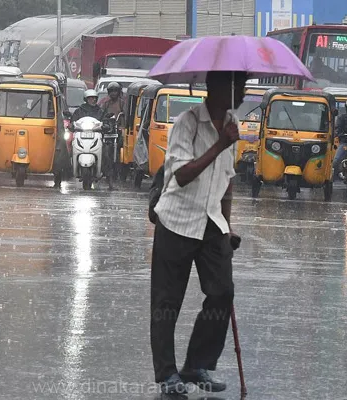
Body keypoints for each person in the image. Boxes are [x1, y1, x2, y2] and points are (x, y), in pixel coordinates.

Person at [150, 70, 246, 396]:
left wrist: (228, 226)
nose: (242, 91)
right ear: (215, 88)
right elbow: (181, 176)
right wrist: (220, 144)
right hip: (176, 221)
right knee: (167, 303)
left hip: (211, 223)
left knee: (222, 292)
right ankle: (166, 375)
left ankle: (196, 364)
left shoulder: (232, 125)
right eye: (237, 85)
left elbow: (228, 182)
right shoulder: (187, 123)